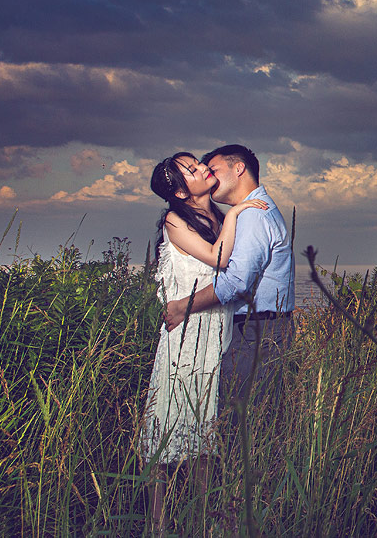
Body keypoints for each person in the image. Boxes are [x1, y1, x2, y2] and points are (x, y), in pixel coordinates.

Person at [141, 152, 268, 529]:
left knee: (203, 430)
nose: (203, 168)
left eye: (198, 162)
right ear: (180, 191)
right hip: (186, 335)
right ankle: (157, 525)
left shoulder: (215, 213)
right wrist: (236, 213)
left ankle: (202, 520)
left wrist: (231, 213)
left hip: (216, 332)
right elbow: (218, 258)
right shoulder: (175, 219)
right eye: (193, 170)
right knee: (165, 426)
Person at [162, 144, 295, 414]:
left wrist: (181, 307)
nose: (207, 174)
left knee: (243, 425)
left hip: (257, 332)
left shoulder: (253, 215)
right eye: (200, 169)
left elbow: (235, 282)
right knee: (249, 420)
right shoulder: (236, 216)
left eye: (213, 169)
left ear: (239, 169)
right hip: (255, 330)